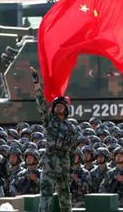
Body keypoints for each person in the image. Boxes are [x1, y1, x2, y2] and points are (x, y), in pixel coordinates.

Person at [30, 67, 79, 212]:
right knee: (46, 193)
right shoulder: (49, 120)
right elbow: (41, 104)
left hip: (63, 162)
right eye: (56, 106)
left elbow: (72, 150)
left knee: (64, 195)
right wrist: (36, 84)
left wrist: (72, 170)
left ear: (65, 109)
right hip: (50, 160)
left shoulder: (71, 127)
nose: (58, 108)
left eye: (61, 106)